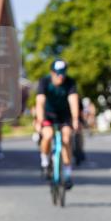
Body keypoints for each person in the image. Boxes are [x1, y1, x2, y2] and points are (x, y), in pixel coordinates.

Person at [35, 59, 80, 189]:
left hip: (64, 115)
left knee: (66, 139)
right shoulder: (44, 82)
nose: (61, 76)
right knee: (47, 135)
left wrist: (75, 119)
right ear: (52, 73)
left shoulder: (70, 82)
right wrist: (39, 120)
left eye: (63, 73)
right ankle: (45, 162)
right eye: (57, 73)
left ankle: (67, 175)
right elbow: (40, 102)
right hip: (48, 114)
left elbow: (73, 101)